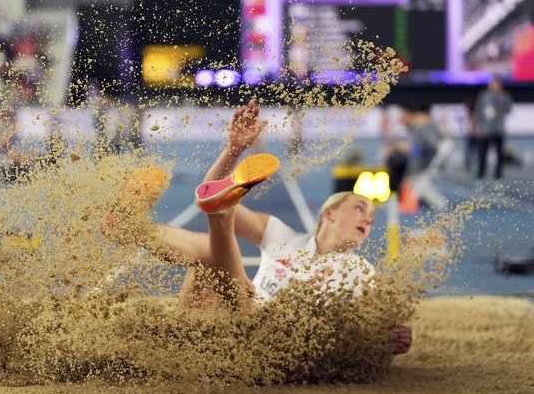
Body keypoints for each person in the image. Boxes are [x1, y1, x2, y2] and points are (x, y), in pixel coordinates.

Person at [102, 100, 413, 355]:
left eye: (371, 217)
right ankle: (142, 226)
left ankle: (144, 227)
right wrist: (233, 150)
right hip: (213, 331)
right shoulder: (282, 236)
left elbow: (382, 326)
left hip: (268, 345)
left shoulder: (360, 272)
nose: (368, 219)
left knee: (222, 267)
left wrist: (392, 336)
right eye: (360, 208)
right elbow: (209, 189)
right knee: (209, 257)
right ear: (329, 213)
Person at [474, 75, 513, 184]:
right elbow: (478, 111)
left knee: (499, 155)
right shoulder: (484, 96)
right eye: (493, 84)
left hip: (499, 129)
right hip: (486, 130)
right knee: (482, 154)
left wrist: (499, 108)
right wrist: (478, 126)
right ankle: (480, 177)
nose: (495, 86)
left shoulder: (505, 96)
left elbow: (509, 109)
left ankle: (498, 177)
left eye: (497, 84)